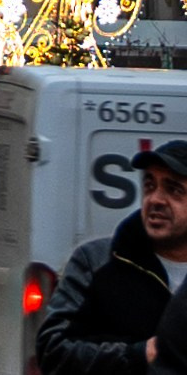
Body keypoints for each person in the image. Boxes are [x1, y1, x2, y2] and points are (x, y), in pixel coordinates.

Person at [38, 138, 187, 375]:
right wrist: (137, 353)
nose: (156, 199)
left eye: (174, 189)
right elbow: (52, 351)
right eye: (150, 186)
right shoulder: (95, 261)